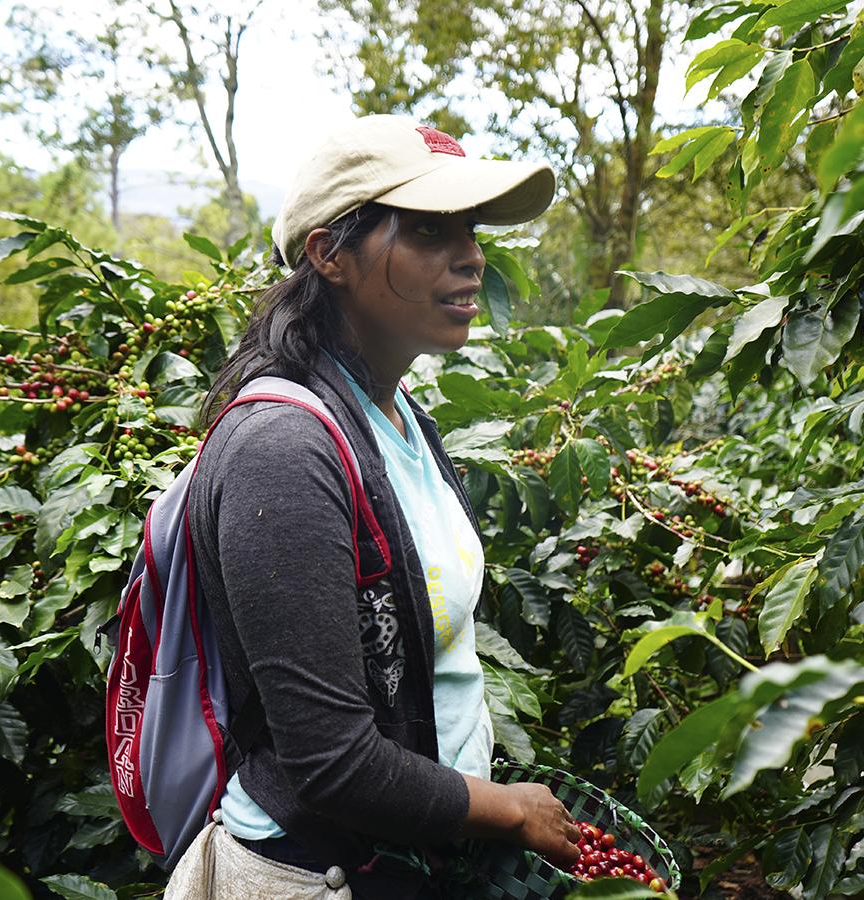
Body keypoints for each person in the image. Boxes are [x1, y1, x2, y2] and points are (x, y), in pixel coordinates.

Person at [171, 114, 579, 899]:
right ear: (330, 254)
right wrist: (508, 809)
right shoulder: (282, 452)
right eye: (430, 230)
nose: (471, 255)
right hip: (317, 874)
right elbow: (332, 762)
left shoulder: (400, 419)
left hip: (408, 861)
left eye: (470, 229)